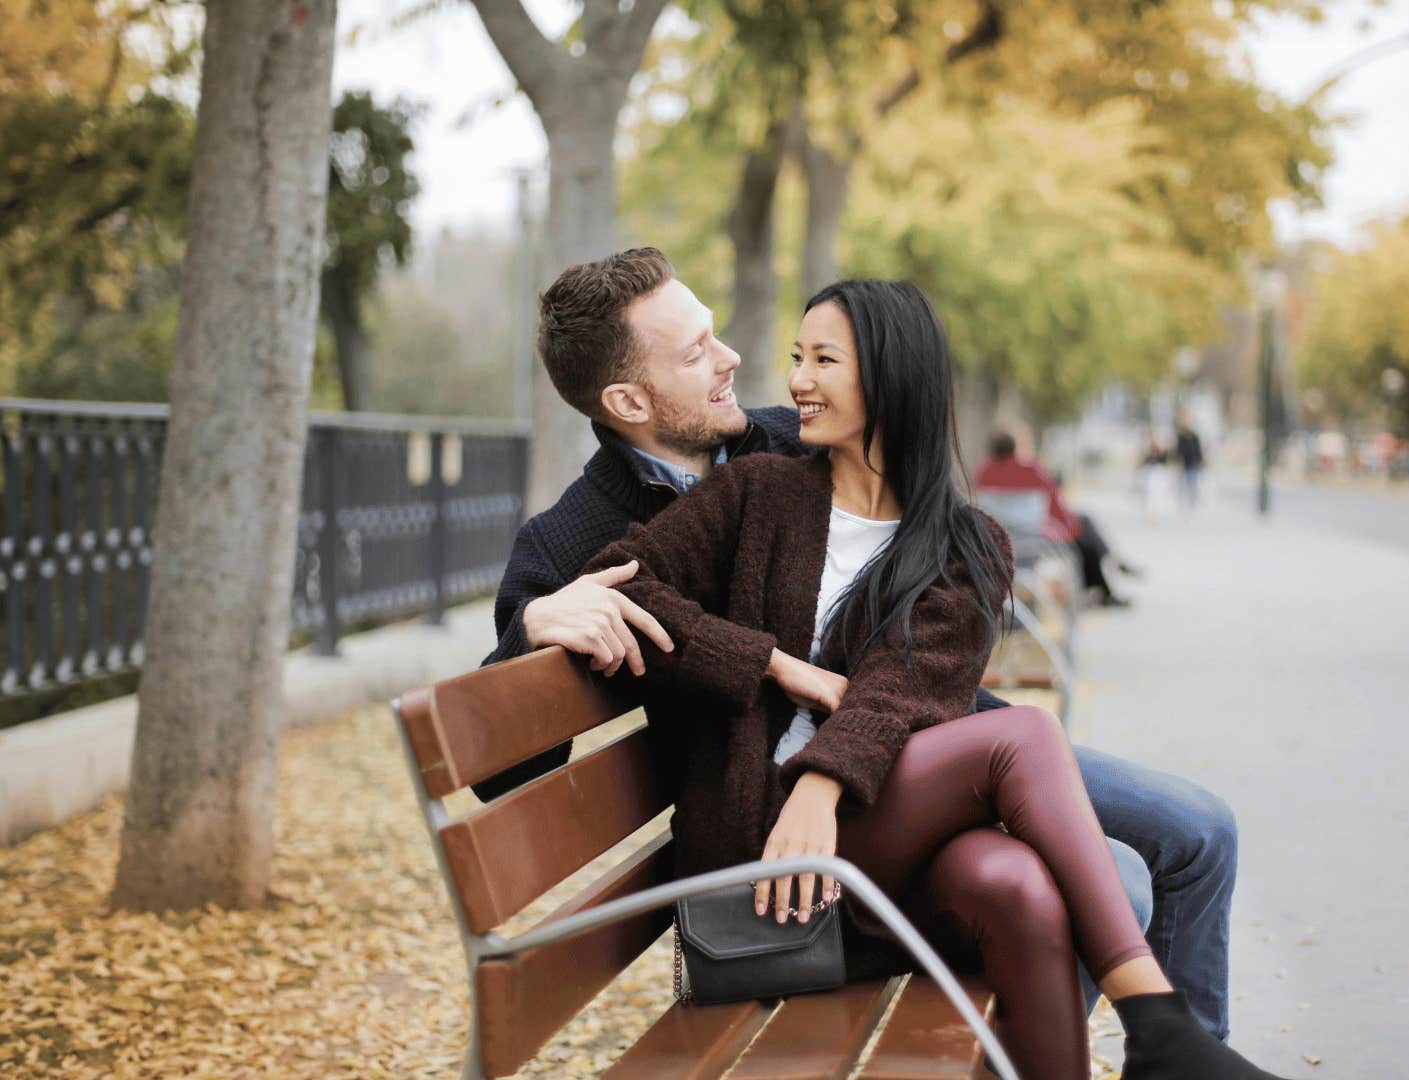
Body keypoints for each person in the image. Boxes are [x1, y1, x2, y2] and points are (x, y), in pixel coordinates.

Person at [480, 249, 1246, 1068]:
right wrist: (536, 622)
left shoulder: (784, 433)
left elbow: (926, 575)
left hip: (927, 725)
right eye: (697, 351)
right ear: (629, 399)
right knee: (1109, 880)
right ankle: (1154, 1030)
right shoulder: (573, 535)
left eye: (720, 337)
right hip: (785, 796)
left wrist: (827, 742)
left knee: (1197, 831)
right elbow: (502, 763)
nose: (739, 361)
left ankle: (1185, 1057)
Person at [975, 431, 1137, 607]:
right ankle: (1109, 573)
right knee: (1086, 533)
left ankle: (1109, 570)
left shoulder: (983, 472)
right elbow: (1054, 506)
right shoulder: (1029, 469)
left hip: (999, 538)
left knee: (1087, 532)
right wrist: (1071, 527)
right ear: (1014, 448)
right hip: (1035, 537)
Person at [1173, 412, 1206, 509]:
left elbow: (1198, 451)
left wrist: (1200, 462)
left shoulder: (1195, 436)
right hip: (1183, 464)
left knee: (1193, 483)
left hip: (1193, 464)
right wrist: (1175, 461)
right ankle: (1182, 502)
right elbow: (1177, 450)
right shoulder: (1180, 436)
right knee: (1182, 484)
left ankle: (1192, 503)